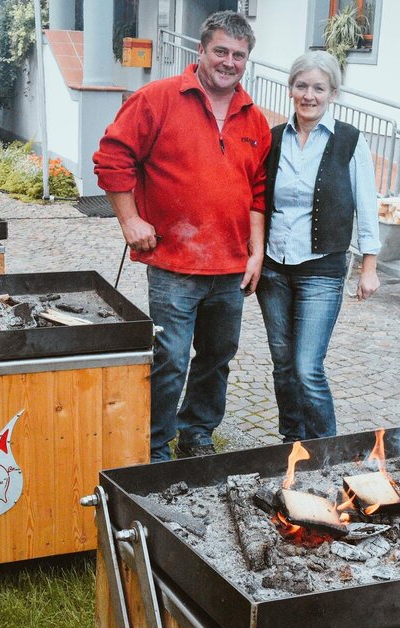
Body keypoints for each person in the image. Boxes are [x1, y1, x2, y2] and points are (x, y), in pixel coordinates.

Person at [93, 11, 271, 462]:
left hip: (230, 266)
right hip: (174, 263)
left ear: (247, 60)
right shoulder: (157, 98)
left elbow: (258, 192)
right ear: (201, 51)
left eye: (239, 55)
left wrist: (256, 252)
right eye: (221, 51)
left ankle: (197, 432)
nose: (229, 62)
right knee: (170, 356)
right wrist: (130, 221)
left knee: (217, 356)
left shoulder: (255, 120)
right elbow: (113, 159)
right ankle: (155, 443)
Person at [256, 51, 381, 442]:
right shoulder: (274, 138)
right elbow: (257, 200)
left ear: (333, 93)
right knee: (282, 364)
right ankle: (291, 446)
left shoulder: (349, 140)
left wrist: (369, 266)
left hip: (321, 268)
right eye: (301, 85)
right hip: (274, 268)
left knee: (308, 366)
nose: (309, 95)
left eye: (318, 88)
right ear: (291, 88)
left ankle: (327, 453)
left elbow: (367, 203)